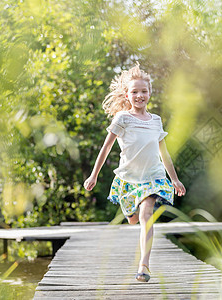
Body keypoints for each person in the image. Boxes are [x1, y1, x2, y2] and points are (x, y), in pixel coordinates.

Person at [83, 63, 186, 282]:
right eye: (135, 92)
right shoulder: (122, 119)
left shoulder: (156, 121)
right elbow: (106, 148)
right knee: (133, 218)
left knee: (146, 215)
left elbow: (164, 154)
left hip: (153, 177)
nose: (140, 95)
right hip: (129, 179)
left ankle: (144, 265)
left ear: (150, 93)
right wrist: (94, 175)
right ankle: (130, 213)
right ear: (127, 95)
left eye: (144, 91)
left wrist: (174, 180)